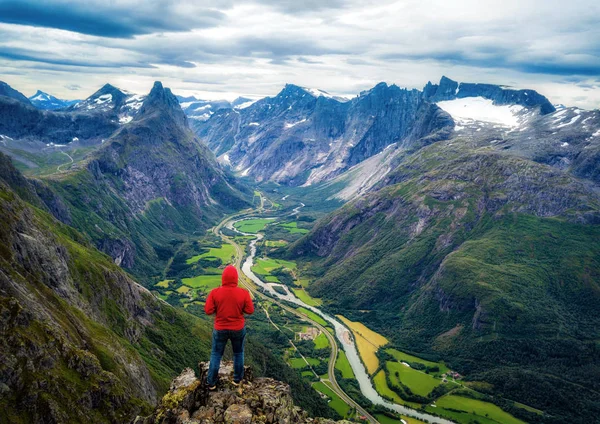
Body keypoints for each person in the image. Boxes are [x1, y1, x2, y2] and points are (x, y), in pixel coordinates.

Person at [204, 264, 254, 389]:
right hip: (238, 328)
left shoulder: (215, 293)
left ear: (223, 278)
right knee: (238, 353)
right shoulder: (243, 293)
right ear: (236, 279)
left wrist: (219, 308)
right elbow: (250, 310)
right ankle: (237, 380)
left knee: (216, 354)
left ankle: (211, 383)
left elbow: (208, 310)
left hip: (220, 328)